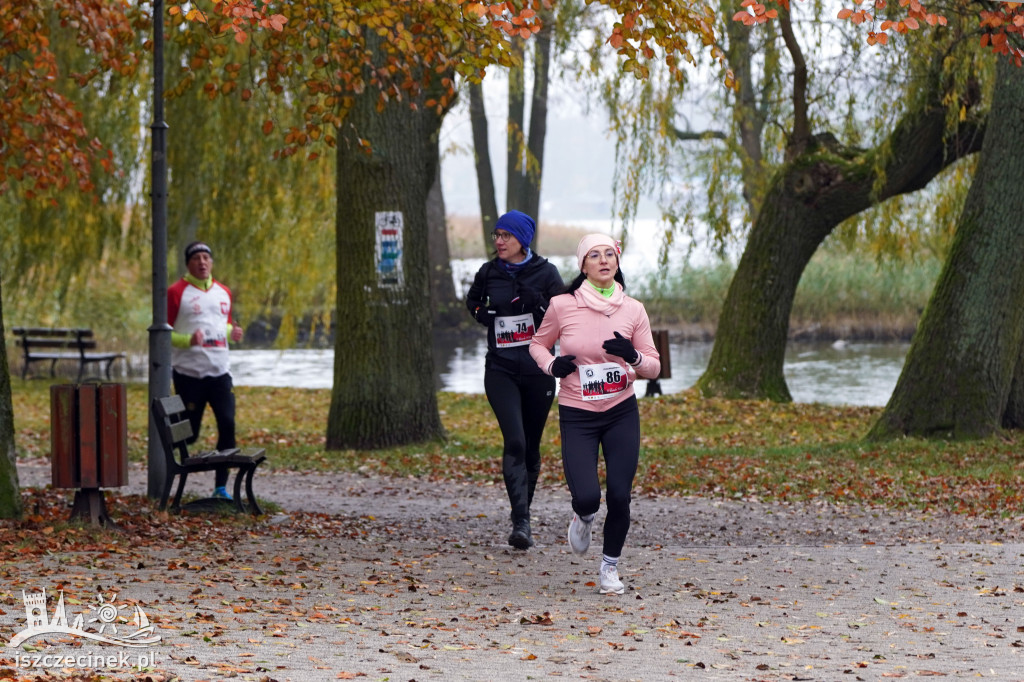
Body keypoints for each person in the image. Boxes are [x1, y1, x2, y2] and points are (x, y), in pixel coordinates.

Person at [529, 233, 660, 594]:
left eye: (609, 254)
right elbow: (537, 345)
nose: (604, 260)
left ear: (617, 262)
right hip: (578, 412)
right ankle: (584, 516)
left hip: (621, 410)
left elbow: (653, 366)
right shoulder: (562, 305)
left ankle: (609, 568)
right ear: (582, 265)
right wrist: (552, 365)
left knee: (619, 495)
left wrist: (632, 357)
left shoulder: (633, 309)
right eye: (594, 255)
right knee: (588, 496)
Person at [466, 210, 565, 550]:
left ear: (522, 239)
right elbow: (473, 301)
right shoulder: (489, 272)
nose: (499, 241)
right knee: (516, 441)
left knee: (532, 447)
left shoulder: (546, 273)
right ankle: (520, 521)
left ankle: (523, 514)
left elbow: (564, 313)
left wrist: (540, 308)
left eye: (506, 236)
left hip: (539, 371)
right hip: (501, 369)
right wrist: (486, 315)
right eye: (496, 235)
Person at [168, 241, 245, 500]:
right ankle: (168, 473)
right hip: (189, 374)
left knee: (227, 423)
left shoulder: (223, 292)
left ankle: (221, 488)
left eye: (206, 258)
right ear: (188, 263)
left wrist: (231, 333)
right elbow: (163, 333)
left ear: (211, 262)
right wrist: (187, 340)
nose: (202, 262)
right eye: (196, 258)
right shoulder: (176, 292)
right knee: (189, 434)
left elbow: (219, 326)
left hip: (220, 372)